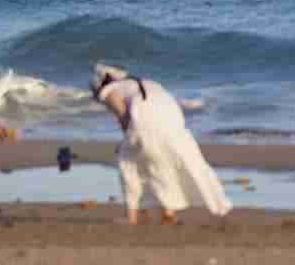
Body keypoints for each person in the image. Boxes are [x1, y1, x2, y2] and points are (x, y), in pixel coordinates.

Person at [91, 61, 231, 223]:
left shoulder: (109, 91)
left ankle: (132, 216)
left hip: (147, 117)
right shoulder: (143, 83)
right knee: (166, 162)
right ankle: (168, 212)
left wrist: (125, 141)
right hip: (171, 117)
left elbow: (124, 117)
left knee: (128, 161)